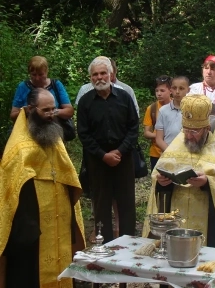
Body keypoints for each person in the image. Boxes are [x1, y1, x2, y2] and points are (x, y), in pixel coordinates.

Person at [142, 94, 215, 261]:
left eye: (195, 131)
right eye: (186, 130)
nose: (189, 136)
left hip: (209, 226)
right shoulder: (178, 145)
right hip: (177, 221)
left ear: (206, 128)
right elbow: (159, 175)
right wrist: (162, 182)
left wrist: (208, 182)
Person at [0, 88, 85, 288]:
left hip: (60, 219)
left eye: (53, 110)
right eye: (45, 110)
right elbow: (10, 193)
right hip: (31, 228)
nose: (51, 115)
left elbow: (69, 177)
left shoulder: (54, 139)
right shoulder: (19, 147)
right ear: (30, 110)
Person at [77, 56, 139, 243]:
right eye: (95, 74)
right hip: (98, 161)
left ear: (111, 75)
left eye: (103, 73)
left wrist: (119, 151)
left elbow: (133, 128)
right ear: (90, 78)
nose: (99, 77)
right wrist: (103, 155)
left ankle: (128, 243)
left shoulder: (124, 97)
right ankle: (104, 244)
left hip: (123, 158)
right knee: (101, 204)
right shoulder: (86, 102)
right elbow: (84, 134)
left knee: (126, 203)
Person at [10, 55, 74, 122]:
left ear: (46, 72)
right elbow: (13, 116)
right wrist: (24, 112)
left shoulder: (56, 85)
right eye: (34, 74)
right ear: (29, 73)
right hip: (29, 129)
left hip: (54, 127)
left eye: (40, 74)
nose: (37, 78)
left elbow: (69, 111)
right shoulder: (23, 87)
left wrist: (52, 112)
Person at [143, 76, 172, 171]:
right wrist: (158, 135)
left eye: (162, 91)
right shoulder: (152, 109)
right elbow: (146, 132)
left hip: (173, 151)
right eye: (157, 91)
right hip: (156, 152)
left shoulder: (177, 106)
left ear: (170, 90)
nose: (159, 94)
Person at [155, 76, 190, 152]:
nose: (177, 91)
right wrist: (170, 152)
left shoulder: (193, 110)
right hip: (168, 154)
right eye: (174, 88)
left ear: (188, 90)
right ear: (170, 90)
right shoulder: (163, 111)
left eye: (181, 88)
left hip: (187, 154)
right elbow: (159, 138)